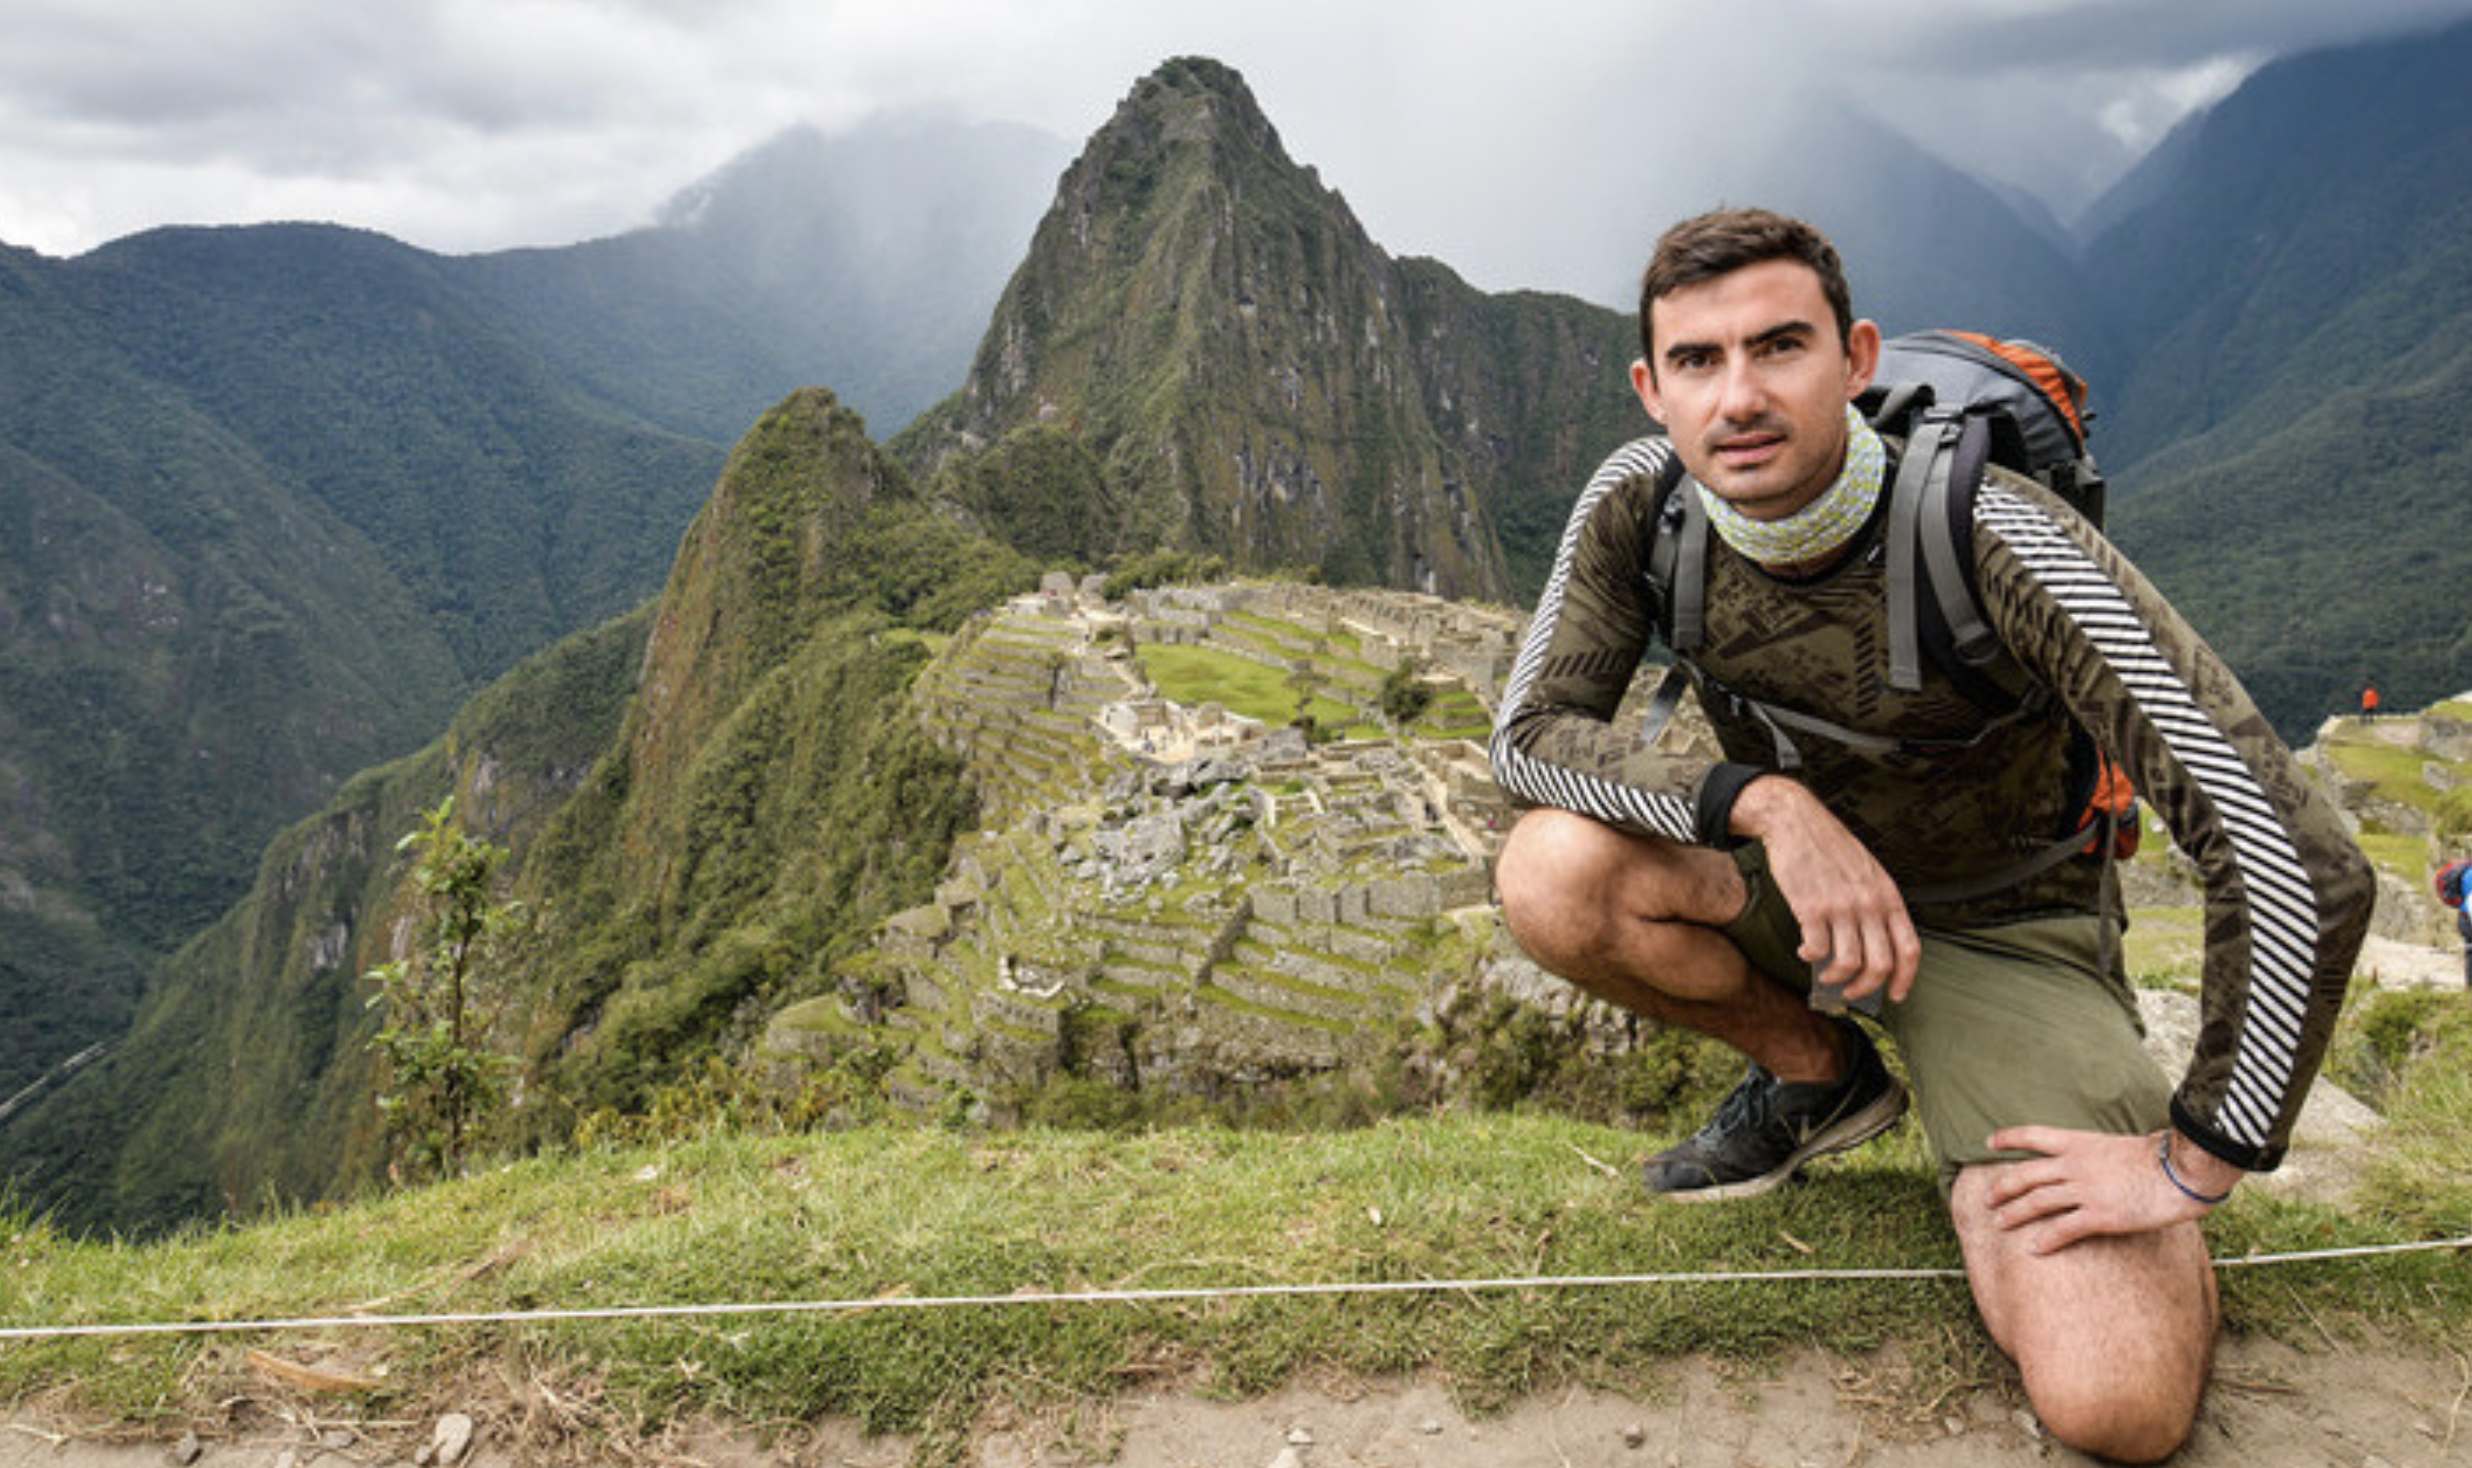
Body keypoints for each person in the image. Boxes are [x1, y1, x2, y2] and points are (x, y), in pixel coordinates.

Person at [1488, 207, 2373, 1463]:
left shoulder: (1993, 534)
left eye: (1778, 347)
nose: (1737, 396)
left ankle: (2000, 1139)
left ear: (1856, 359)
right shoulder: (1644, 503)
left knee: (2115, 1404)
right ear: (1651, 387)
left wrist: (2196, 1158)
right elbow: (1529, 738)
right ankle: (1820, 1076)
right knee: (1551, 869)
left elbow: (2297, 855)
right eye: (1698, 361)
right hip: (1797, 891)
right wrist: (1765, 805)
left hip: (2010, 928)